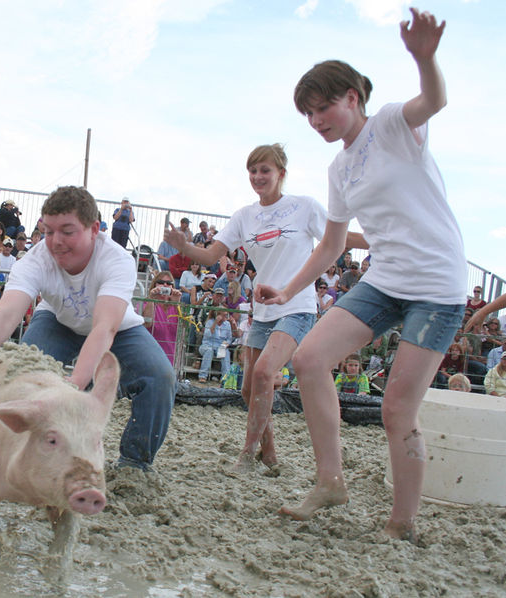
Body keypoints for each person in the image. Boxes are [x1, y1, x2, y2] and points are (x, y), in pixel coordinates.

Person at [255, 8, 466, 541]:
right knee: (308, 358)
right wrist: (287, 290)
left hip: (437, 287)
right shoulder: (338, 168)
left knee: (397, 408)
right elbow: (330, 244)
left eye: (324, 106)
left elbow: (435, 101)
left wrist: (425, 58)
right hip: (385, 278)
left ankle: (403, 522)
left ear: (353, 97)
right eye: (308, 113)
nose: (317, 120)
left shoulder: (394, 124)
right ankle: (330, 481)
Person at [165, 143, 364, 471]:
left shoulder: (303, 207)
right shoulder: (244, 216)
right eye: (253, 171)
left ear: (281, 174)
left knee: (263, 372)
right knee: (247, 388)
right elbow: (212, 256)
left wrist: (382, 238)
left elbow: (339, 236)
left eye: (265, 170)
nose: (258, 176)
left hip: (296, 304)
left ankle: (247, 454)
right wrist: (184, 245)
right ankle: (269, 453)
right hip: (263, 310)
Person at [0, 186, 176, 472]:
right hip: (57, 320)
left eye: (67, 231)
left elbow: (104, 328)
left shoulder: (117, 259)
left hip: (118, 327)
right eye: (48, 231)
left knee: (160, 375)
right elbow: (7, 312)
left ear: (94, 229)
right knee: (20, 375)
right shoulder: (35, 259)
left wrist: (74, 386)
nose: (56, 241)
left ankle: (135, 463)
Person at [141, 271, 182, 364]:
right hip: (150, 357)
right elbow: (147, 323)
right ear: (154, 284)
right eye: (160, 282)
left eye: (168, 283)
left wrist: (177, 304)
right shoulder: (146, 303)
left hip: (171, 358)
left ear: (172, 287)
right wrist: (151, 298)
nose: (165, 285)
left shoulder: (177, 307)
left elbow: (184, 331)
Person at [198, 309, 232, 383]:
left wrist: (226, 344)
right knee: (209, 351)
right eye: (224, 315)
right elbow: (207, 335)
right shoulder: (210, 322)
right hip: (207, 344)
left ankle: (226, 378)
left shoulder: (227, 324)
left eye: (226, 315)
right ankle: (203, 376)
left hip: (220, 345)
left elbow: (229, 339)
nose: (226, 316)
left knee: (226, 352)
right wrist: (215, 323)